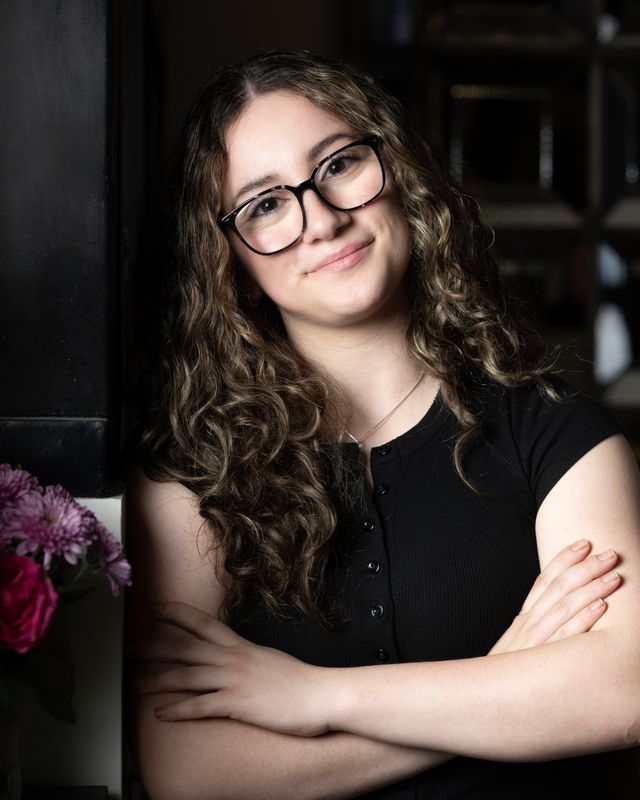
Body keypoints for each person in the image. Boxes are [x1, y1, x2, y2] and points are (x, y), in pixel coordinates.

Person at [125, 51, 640, 799]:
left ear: (399, 173)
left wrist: (314, 697)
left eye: (339, 165)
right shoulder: (188, 479)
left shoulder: (554, 431)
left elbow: (624, 690)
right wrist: (503, 683)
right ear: (228, 261)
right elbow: (188, 771)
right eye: (265, 205)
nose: (323, 220)